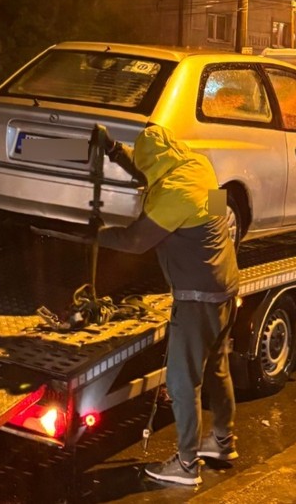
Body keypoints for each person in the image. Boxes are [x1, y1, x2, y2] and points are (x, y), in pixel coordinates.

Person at [94, 124, 239, 487]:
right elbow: (154, 171)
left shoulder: (172, 195)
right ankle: (222, 441)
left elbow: (136, 241)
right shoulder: (198, 166)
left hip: (196, 297)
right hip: (227, 284)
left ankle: (188, 465)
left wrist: (93, 234)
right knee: (217, 368)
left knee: (181, 381)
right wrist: (114, 150)